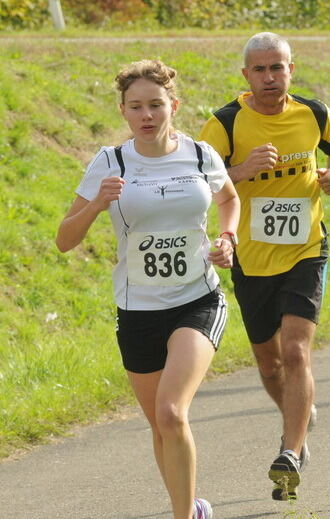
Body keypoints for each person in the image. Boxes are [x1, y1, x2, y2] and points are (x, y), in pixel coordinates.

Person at [56, 59, 239, 519]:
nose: (147, 115)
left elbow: (228, 198)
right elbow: (64, 240)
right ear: (123, 111)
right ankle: (191, 506)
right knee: (160, 424)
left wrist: (227, 238)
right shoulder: (109, 162)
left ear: (173, 106)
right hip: (137, 308)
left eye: (156, 105)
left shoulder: (199, 155)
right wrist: (97, 203)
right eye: (136, 107)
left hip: (197, 299)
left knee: (173, 412)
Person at [198, 32, 330, 501]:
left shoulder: (313, 113)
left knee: (296, 352)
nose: (270, 77)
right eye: (260, 70)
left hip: (306, 248)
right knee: (269, 366)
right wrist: (240, 171)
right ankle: (298, 412)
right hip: (251, 257)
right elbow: (197, 183)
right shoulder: (224, 124)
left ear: (291, 69)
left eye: (278, 68)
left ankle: (291, 450)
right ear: (246, 75)